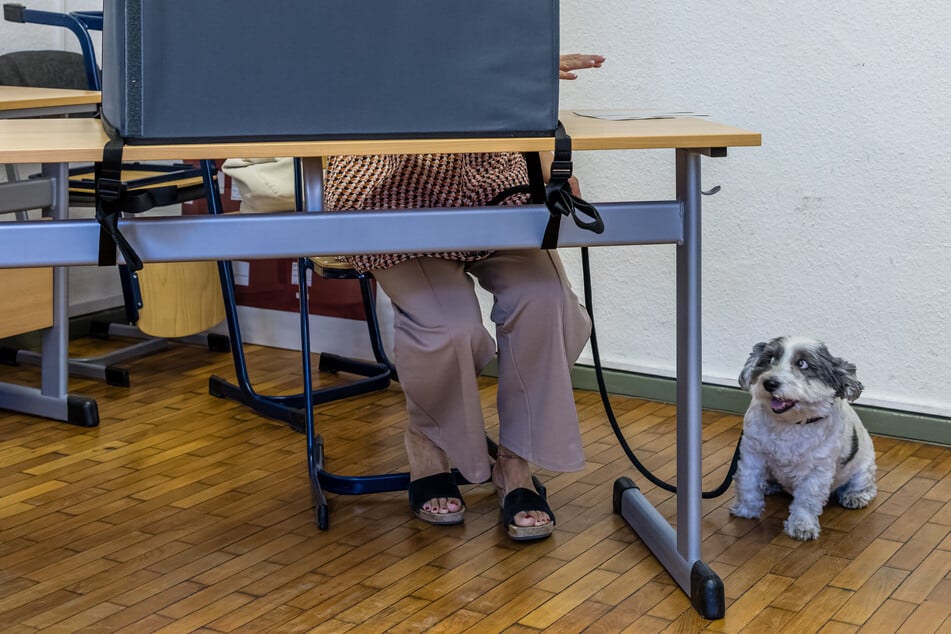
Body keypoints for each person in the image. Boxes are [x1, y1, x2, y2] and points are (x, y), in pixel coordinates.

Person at [324, 54, 605, 541]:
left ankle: (515, 464)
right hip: (389, 184)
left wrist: (552, 170)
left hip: (489, 181)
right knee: (448, 327)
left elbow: (528, 105)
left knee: (545, 299)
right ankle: (428, 443)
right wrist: (494, 64)